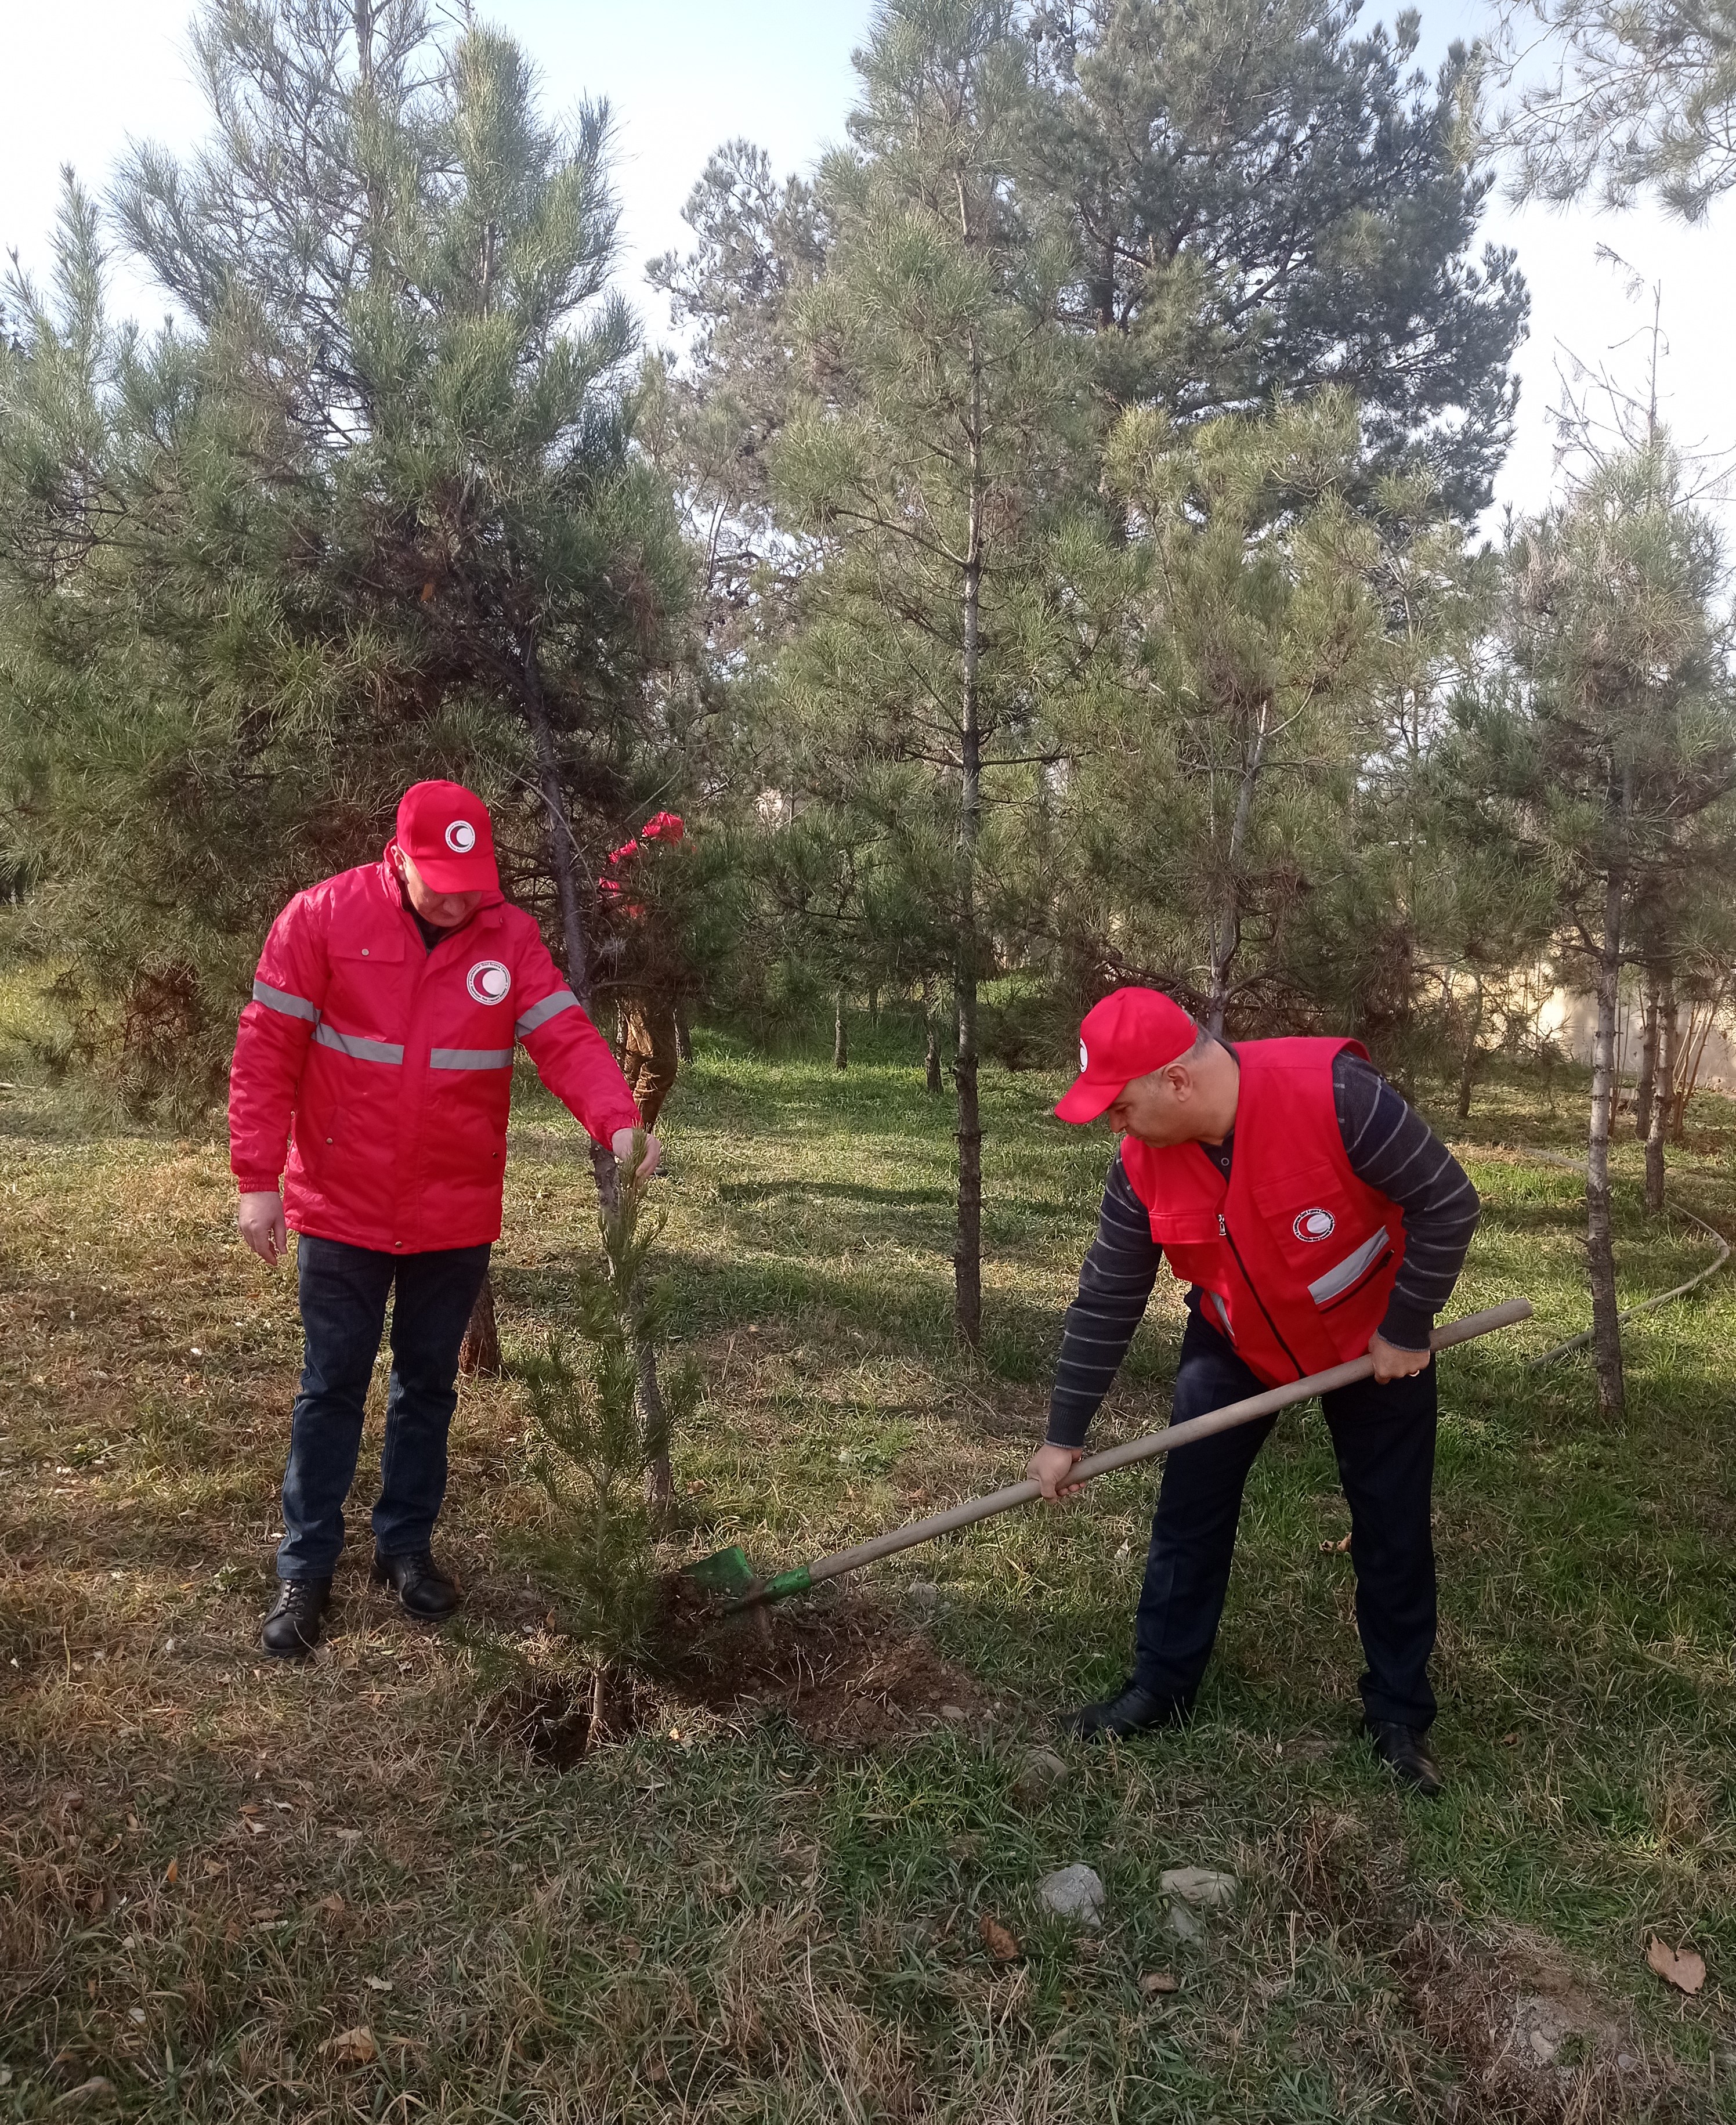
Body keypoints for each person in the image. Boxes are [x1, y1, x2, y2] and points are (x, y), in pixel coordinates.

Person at [229, 779, 656, 1658]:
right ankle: (307, 1567)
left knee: (427, 1384)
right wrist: (257, 1177)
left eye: (474, 879)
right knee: (331, 1385)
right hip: (342, 1203)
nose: (461, 898)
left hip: (452, 1208)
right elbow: (267, 1048)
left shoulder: (508, 935)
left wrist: (617, 1119)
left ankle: (405, 1548)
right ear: (401, 857)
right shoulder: (322, 917)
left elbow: (566, 1035)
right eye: (442, 880)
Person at [1030, 987, 1480, 1796]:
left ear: (1176, 1081)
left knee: (1391, 1523)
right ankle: (1161, 1687)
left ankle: (1398, 1714)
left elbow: (1447, 1199)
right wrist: (1065, 1432)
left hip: (1371, 1341)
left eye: (1121, 1103)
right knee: (1187, 1513)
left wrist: (1408, 1325)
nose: (1114, 1122)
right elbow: (1107, 1295)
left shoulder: (1338, 1097)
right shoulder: (1140, 1163)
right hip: (1238, 1341)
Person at [598, 809, 686, 1129]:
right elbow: (641, 929)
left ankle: (617, 1136)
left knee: (637, 1058)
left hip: (636, 977)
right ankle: (633, 1143)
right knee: (661, 1063)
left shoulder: (628, 867)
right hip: (644, 978)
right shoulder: (637, 874)